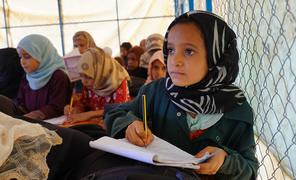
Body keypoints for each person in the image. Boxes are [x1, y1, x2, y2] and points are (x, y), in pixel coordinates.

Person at [102, 11, 258, 179]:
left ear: (217, 57)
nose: (174, 60)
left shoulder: (237, 110)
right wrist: (129, 125)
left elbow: (250, 169)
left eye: (189, 51)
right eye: (170, 49)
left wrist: (225, 161)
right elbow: (115, 113)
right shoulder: (154, 92)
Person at [0, 34, 72, 120]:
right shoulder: (28, 77)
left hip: (52, 125)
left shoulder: (58, 76)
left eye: (27, 57)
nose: (22, 62)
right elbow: (20, 103)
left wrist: (30, 117)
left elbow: (56, 107)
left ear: (42, 55)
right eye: (20, 57)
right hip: (29, 122)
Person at [63, 47, 130, 130]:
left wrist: (89, 114)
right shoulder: (89, 84)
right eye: (81, 76)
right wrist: (75, 109)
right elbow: (83, 104)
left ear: (101, 72)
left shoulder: (118, 81)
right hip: (94, 126)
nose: (83, 81)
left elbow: (120, 109)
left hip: (112, 130)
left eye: (88, 77)